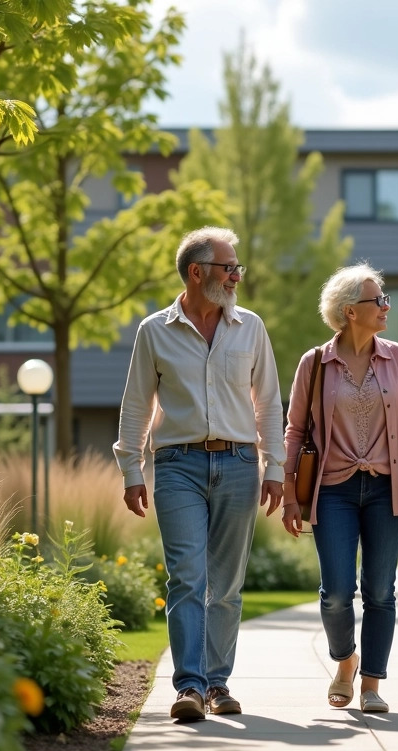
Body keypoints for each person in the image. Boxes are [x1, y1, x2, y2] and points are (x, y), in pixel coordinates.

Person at [114, 226, 285, 722]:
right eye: (228, 268)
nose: (236, 276)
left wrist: (274, 466)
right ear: (197, 272)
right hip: (177, 465)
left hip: (237, 463)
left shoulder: (250, 327)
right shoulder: (154, 331)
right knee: (187, 577)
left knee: (226, 584)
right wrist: (130, 469)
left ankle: (217, 684)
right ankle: (189, 687)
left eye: (236, 268)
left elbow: (269, 402)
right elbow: (135, 405)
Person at [282, 263, 398, 714]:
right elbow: (295, 430)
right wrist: (290, 495)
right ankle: (345, 662)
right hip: (334, 490)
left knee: (381, 591)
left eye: (386, 299)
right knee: (336, 592)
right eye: (377, 300)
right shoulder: (315, 363)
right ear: (349, 311)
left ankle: (371, 684)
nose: (386, 306)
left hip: (387, 490)